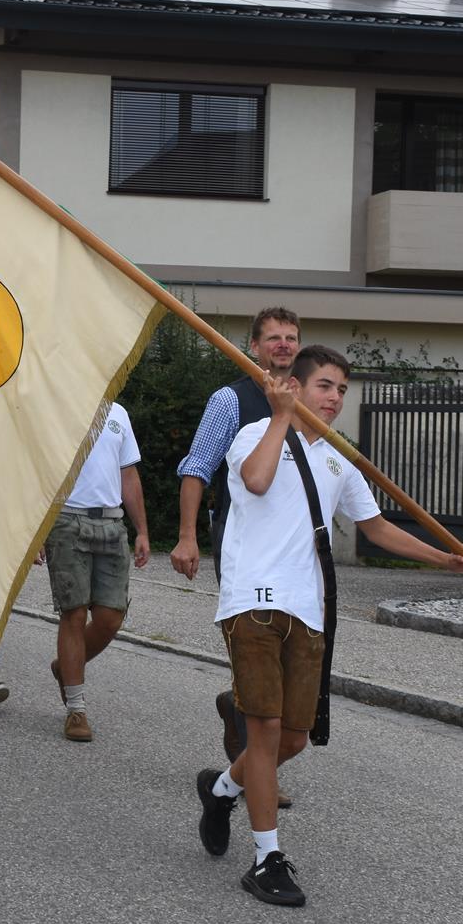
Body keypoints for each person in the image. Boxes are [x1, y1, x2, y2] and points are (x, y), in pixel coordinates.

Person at [195, 346, 463, 907]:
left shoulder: (339, 459)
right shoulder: (254, 435)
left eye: (342, 389)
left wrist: (444, 559)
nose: (335, 398)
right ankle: (267, 858)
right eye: (325, 386)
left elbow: (376, 528)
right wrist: (281, 416)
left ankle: (223, 788)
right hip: (252, 601)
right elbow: (256, 481)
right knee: (265, 729)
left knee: (294, 739)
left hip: (309, 609)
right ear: (296, 387)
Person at [172, 306, 302, 785]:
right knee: (257, 649)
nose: (284, 345)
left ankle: (237, 707)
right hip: (243, 543)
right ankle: (256, 774)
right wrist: (187, 537)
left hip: (294, 549)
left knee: (288, 658)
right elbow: (196, 468)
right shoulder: (230, 400)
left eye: (291, 338)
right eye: (274, 338)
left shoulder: (308, 400)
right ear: (254, 347)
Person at [43, 401, 149, 742]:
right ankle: (76, 709)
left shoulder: (119, 412)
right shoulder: (56, 404)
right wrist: (33, 532)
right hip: (65, 520)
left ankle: (65, 666)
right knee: (73, 613)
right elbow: (38, 470)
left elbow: (128, 475)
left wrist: (142, 531)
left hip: (111, 523)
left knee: (110, 617)